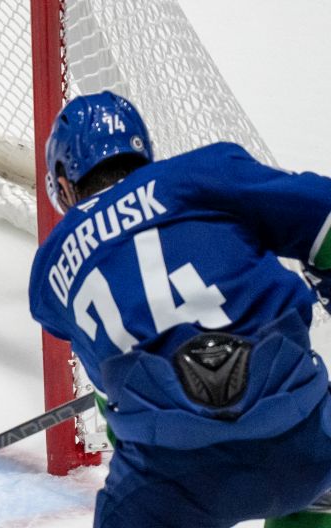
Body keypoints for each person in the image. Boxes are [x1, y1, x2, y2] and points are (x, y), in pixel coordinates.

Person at [29, 90, 331, 527]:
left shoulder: (49, 272)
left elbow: (114, 392)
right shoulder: (204, 172)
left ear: (63, 185)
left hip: (175, 484)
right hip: (306, 450)